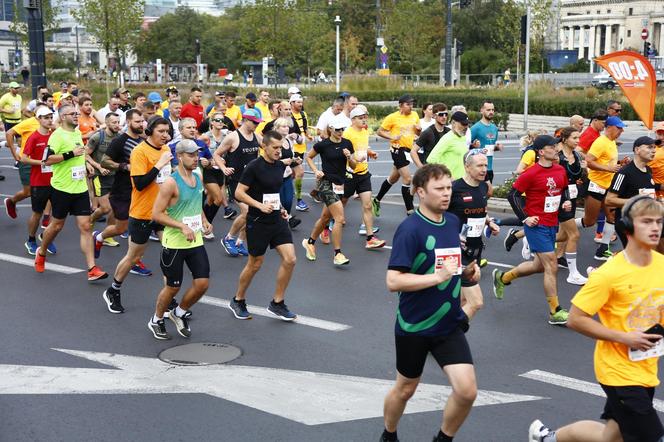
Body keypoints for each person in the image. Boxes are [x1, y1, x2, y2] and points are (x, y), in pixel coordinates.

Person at [529, 195, 664, 442]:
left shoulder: (662, 266)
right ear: (628, 228)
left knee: (610, 437)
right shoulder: (609, 274)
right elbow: (575, 318)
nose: (655, 228)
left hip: (646, 367)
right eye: (646, 222)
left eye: (658, 221)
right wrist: (624, 337)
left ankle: (547, 439)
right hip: (617, 372)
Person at [381, 163, 480, 442]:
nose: (447, 194)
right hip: (415, 325)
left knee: (467, 390)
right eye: (439, 189)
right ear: (421, 192)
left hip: (448, 324)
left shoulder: (452, 221)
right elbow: (393, 282)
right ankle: (388, 435)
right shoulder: (409, 229)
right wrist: (436, 278)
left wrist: (467, 272)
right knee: (406, 389)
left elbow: (449, 265)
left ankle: (442, 439)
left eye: (449, 188)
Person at [493, 135, 572, 325]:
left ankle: (503, 277)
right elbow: (513, 195)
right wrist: (525, 218)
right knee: (551, 265)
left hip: (552, 223)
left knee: (538, 266)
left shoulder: (560, 169)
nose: (556, 149)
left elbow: (564, 189)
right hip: (537, 226)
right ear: (541, 152)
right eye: (551, 147)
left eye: (556, 146)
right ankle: (555, 312)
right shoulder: (531, 173)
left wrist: (566, 202)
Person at [101, 117, 172, 314]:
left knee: (170, 253)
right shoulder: (139, 151)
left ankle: (169, 299)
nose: (165, 136)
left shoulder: (166, 150)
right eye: (161, 132)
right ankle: (113, 290)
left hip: (162, 213)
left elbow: (166, 181)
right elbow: (140, 184)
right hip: (142, 213)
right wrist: (159, 165)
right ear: (150, 131)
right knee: (134, 256)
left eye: (167, 132)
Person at [227, 131, 298, 321]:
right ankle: (238, 299)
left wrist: (281, 208)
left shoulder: (279, 166)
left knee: (290, 259)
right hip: (258, 221)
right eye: (275, 147)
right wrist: (258, 205)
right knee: (255, 264)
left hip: (277, 220)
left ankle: (277, 303)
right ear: (264, 146)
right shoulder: (254, 167)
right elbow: (239, 193)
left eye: (280, 147)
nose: (278, 151)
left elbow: (273, 193)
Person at [34, 105, 108, 281]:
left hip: (80, 188)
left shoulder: (76, 133)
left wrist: (87, 164)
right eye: (72, 114)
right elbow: (47, 160)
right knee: (57, 226)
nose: (76, 116)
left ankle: (92, 268)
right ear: (63, 116)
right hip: (61, 188)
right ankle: (42, 251)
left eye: (77, 113)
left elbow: (80, 154)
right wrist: (69, 154)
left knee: (86, 226)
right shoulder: (57, 136)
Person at [148, 139, 212, 339]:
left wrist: (204, 219)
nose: (196, 159)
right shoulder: (171, 183)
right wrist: (181, 226)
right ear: (179, 157)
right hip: (174, 243)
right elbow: (156, 214)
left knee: (202, 284)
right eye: (191, 155)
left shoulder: (198, 178)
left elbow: (196, 203)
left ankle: (179, 313)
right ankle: (156, 319)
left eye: (197, 155)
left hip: (195, 240)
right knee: (173, 286)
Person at [448, 150, 499, 320]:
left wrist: (489, 222)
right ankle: (450, 335)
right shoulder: (454, 189)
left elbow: (480, 210)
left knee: (461, 299)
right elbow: (438, 216)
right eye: (480, 165)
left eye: (486, 165)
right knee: (475, 302)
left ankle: (443, 334)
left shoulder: (484, 187)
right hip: (456, 250)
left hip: (475, 249)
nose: (484, 169)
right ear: (467, 167)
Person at [302, 115, 357, 266]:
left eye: (342, 129)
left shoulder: (347, 143)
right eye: (338, 129)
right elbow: (309, 157)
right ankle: (337, 254)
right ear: (331, 129)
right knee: (339, 218)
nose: (340, 132)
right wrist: (315, 171)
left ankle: (310, 242)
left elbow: (353, 167)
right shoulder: (323, 145)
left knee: (326, 218)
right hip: (325, 183)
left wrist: (349, 157)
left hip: (339, 184)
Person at [96, 110, 146, 265]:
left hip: (139, 191)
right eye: (137, 121)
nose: (141, 124)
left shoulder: (143, 141)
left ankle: (135, 261)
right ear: (129, 122)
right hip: (122, 190)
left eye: (142, 121)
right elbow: (104, 161)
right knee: (120, 228)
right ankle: (98, 237)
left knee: (138, 227)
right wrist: (123, 166)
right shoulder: (120, 141)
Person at [575, 116, 625, 261]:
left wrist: (621, 162)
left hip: (607, 187)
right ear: (609, 127)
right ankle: (559, 228)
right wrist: (608, 168)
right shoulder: (600, 142)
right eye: (618, 128)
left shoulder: (611, 142)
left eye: (622, 128)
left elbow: (607, 162)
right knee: (589, 221)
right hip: (595, 185)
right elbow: (589, 161)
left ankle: (602, 250)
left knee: (612, 217)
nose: (621, 131)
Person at [215, 109, 262, 257]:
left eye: (258, 123)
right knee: (247, 211)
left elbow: (268, 149)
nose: (256, 125)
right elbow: (216, 154)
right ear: (245, 120)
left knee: (254, 213)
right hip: (237, 181)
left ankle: (240, 242)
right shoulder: (232, 137)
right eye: (254, 122)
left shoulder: (257, 136)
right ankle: (228, 238)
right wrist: (223, 168)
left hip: (252, 182)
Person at [341, 105, 385, 247]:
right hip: (349, 174)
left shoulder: (364, 132)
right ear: (353, 119)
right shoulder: (347, 134)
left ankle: (370, 238)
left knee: (367, 205)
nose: (364, 120)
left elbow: (364, 147)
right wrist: (353, 159)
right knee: (341, 202)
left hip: (364, 173)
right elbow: (344, 154)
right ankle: (326, 223)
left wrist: (370, 153)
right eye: (361, 118)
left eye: (365, 117)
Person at [374, 95, 421, 217]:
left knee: (393, 178)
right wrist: (392, 137)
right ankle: (410, 211)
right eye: (408, 104)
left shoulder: (415, 115)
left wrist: (419, 130)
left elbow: (417, 132)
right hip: (397, 149)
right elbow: (379, 131)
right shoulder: (392, 117)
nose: (411, 107)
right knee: (407, 179)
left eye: (412, 104)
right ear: (400, 105)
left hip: (408, 150)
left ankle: (377, 200)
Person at [606, 136, 658, 247]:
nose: (653, 150)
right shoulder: (624, 173)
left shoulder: (648, 170)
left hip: (644, 221)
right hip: (628, 222)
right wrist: (636, 201)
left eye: (654, 147)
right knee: (636, 258)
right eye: (649, 147)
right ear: (637, 150)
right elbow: (609, 200)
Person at [554, 127, 588, 285]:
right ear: (565, 139)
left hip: (572, 197)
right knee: (574, 235)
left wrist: (584, 170)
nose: (578, 141)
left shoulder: (577, 155)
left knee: (563, 235)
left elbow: (577, 176)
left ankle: (526, 236)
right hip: (561, 198)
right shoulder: (557, 157)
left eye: (578, 138)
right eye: (574, 138)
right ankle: (573, 273)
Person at [20, 106, 56, 256]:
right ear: (38, 119)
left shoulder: (54, 135)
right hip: (39, 182)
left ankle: (46, 237)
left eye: (50, 117)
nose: (49, 120)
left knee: (56, 214)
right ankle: (31, 240)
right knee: (37, 213)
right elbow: (23, 158)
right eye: (46, 117)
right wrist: (41, 162)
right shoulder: (33, 137)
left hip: (55, 181)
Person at [200, 111, 237, 228]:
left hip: (221, 171)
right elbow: (197, 152)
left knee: (211, 201)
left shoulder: (227, 135)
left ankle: (203, 222)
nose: (221, 122)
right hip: (208, 171)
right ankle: (207, 225)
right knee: (219, 199)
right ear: (211, 122)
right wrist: (203, 160)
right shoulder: (205, 136)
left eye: (222, 120)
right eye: (218, 120)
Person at [87, 112, 121, 232]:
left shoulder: (120, 136)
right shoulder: (97, 137)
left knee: (114, 207)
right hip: (99, 176)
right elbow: (85, 154)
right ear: (106, 123)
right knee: (106, 208)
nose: (117, 125)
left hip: (116, 176)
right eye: (114, 122)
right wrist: (98, 167)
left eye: (118, 122)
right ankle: (90, 220)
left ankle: (108, 233)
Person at [427, 111, 471, 180]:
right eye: (463, 124)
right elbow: (431, 159)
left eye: (467, 124)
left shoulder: (463, 137)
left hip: (462, 181)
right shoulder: (447, 138)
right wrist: (448, 176)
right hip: (450, 183)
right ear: (453, 123)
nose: (466, 127)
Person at [470, 101, 503, 187]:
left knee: (487, 196)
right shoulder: (475, 128)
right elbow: (466, 147)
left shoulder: (494, 128)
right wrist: (473, 146)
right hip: (478, 168)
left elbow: (490, 146)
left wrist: (497, 147)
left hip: (489, 168)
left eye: (493, 110)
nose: (491, 112)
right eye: (488, 110)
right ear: (482, 110)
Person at [289, 94, 311, 212]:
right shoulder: (289, 116)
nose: (300, 104)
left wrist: (308, 135)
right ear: (292, 103)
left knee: (292, 174)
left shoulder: (303, 114)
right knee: (300, 172)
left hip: (301, 147)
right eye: (298, 102)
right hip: (292, 149)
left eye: (301, 102)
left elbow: (304, 128)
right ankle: (299, 200)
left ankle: (288, 190)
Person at [411, 103, 449, 168]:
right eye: (441, 114)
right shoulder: (428, 132)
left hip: (444, 169)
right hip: (430, 169)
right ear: (434, 116)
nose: (444, 117)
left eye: (446, 114)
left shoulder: (449, 132)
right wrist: (421, 167)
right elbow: (413, 151)